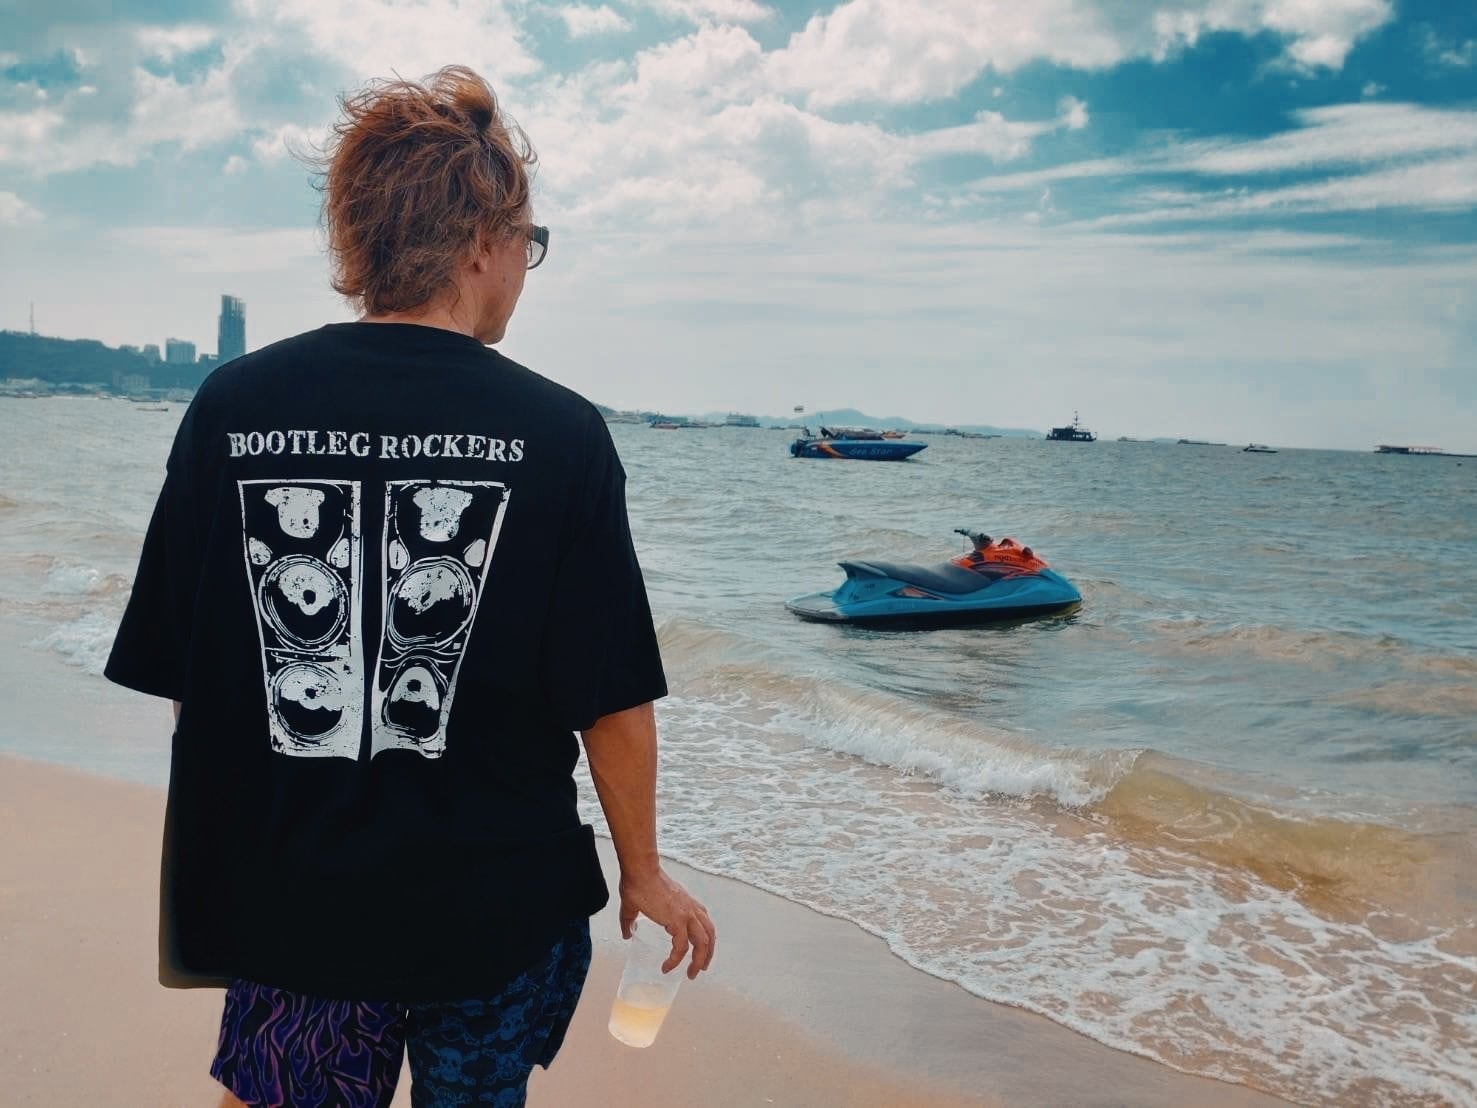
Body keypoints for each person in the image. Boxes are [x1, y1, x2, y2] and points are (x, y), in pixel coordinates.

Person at [104, 65, 714, 1108]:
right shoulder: (562, 435)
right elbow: (608, 698)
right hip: (493, 910)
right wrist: (643, 871)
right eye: (527, 240)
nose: (524, 264)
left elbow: (194, 672)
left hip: (296, 903)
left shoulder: (232, 407)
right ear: (479, 241)